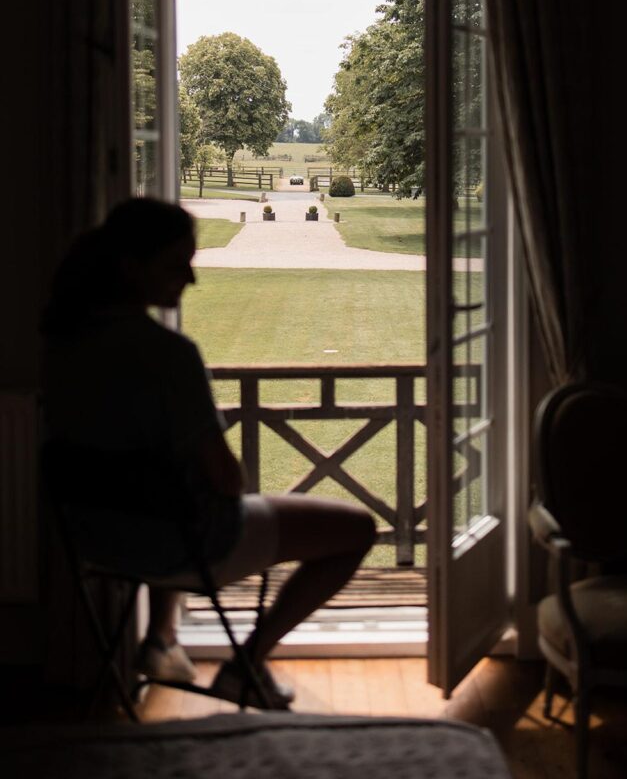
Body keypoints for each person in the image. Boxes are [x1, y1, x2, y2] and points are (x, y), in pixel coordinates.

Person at [42, 197, 376, 708]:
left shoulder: (63, 344)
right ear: (132, 269)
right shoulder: (168, 355)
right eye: (178, 265)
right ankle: (246, 664)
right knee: (357, 530)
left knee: (167, 488)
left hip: (95, 539)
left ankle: (159, 640)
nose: (191, 281)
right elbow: (227, 481)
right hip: (189, 545)